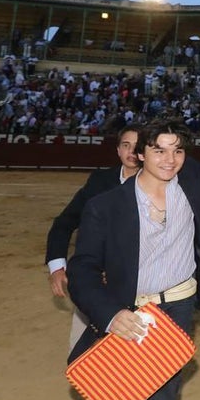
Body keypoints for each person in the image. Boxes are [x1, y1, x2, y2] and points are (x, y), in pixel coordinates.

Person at [67, 120, 200, 400]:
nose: (169, 159)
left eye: (177, 150)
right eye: (159, 150)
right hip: (128, 313)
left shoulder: (192, 183)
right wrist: (110, 314)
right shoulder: (106, 206)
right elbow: (82, 269)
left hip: (176, 309)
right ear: (140, 153)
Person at [45, 125, 140, 349]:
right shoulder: (100, 181)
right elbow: (64, 222)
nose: (131, 152)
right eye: (126, 145)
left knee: (139, 365)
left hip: (143, 288)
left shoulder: (162, 186)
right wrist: (57, 266)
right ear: (118, 150)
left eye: (137, 147)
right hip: (96, 283)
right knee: (84, 358)